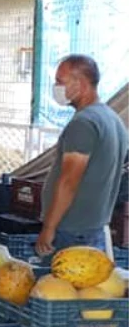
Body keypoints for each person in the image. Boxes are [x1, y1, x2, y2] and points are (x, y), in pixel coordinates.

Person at [35, 55, 129, 258]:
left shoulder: (83, 124)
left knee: (63, 289)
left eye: (60, 82)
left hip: (71, 230)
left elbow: (69, 181)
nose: (56, 87)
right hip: (93, 228)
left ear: (80, 83)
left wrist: (49, 227)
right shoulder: (112, 119)